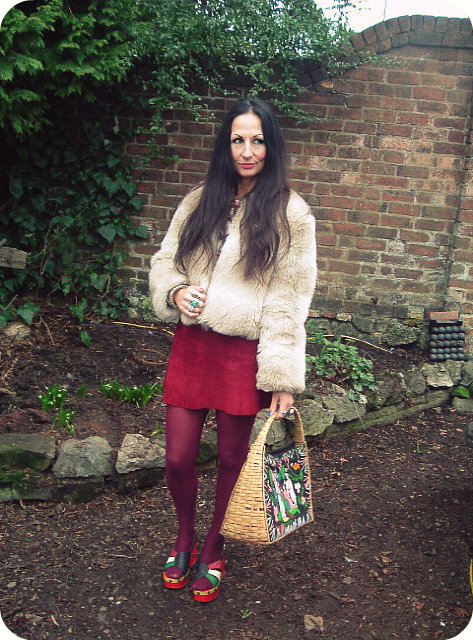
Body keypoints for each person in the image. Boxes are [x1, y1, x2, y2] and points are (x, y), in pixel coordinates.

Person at [149, 97, 317, 603]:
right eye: (238, 140)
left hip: (243, 355)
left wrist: (282, 378)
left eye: (258, 140)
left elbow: (288, 301)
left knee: (230, 460)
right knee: (177, 457)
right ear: (226, 146)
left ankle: (214, 547)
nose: (247, 151)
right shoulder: (199, 200)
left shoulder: (291, 214)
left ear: (272, 146)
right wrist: (176, 291)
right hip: (193, 346)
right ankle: (184, 537)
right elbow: (165, 260)